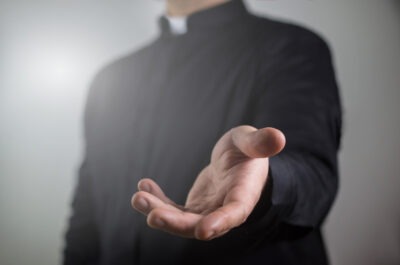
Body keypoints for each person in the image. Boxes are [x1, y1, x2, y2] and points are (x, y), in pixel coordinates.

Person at [63, 0, 342, 264]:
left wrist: (264, 183)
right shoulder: (109, 79)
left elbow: (312, 177)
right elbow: (87, 211)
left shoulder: (291, 47)